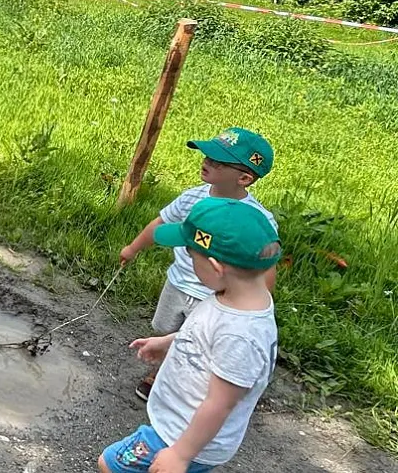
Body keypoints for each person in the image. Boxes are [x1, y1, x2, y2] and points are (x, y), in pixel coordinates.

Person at [99, 197, 280, 473]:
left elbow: (221, 402)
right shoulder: (234, 297)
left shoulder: (241, 335)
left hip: (182, 437)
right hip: (180, 426)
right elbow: (205, 337)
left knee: (109, 464)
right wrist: (170, 342)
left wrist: (181, 454)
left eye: (191, 255)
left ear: (216, 267)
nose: (189, 261)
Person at [119, 127, 276, 401]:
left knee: (200, 342)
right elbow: (162, 223)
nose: (206, 162)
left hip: (215, 295)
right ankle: (165, 368)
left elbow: (266, 266)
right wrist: (133, 248)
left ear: (244, 177)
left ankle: (187, 383)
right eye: (207, 156)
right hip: (178, 281)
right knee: (166, 331)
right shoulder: (193, 196)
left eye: (218, 161)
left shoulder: (256, 221)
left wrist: (256, 302)